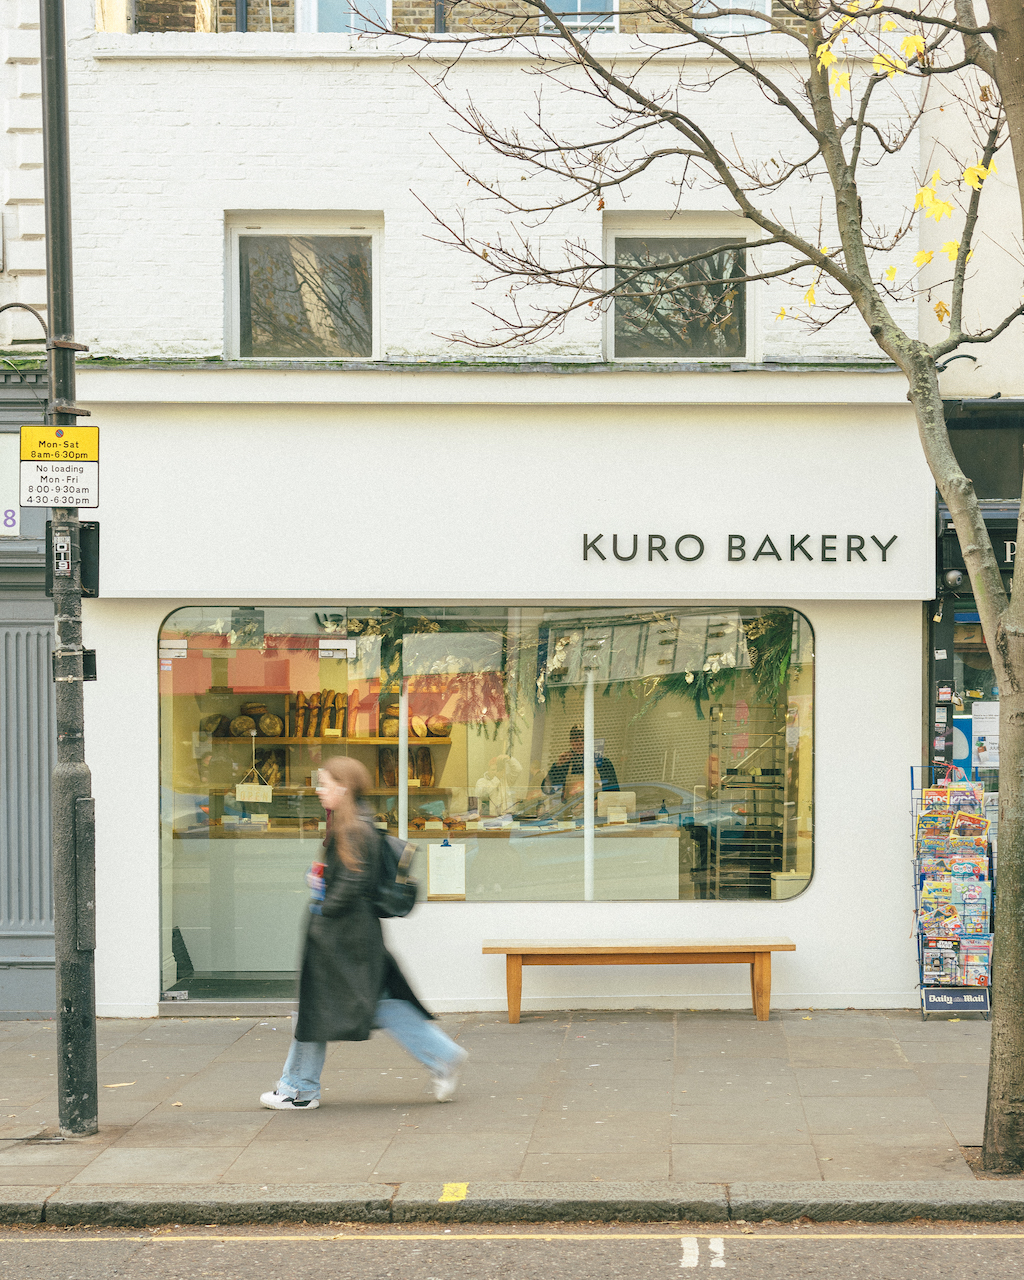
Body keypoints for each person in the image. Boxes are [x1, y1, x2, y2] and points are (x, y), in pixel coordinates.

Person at [260, 756, 468, 1111]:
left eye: (325, 784)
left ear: (343, 788)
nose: (319, 790)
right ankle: (443, 1055)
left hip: (341, 940)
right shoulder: (356, 823)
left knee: (316, 1008)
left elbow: (353, 883)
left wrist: (324, 907)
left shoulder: (352, 829)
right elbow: (353, 878)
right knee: (378, 1005)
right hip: (357, 938)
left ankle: (298, 1090)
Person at [541, 725, 620, 800]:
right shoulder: (565, 763)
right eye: (576, 740)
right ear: (571, 742)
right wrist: (557, 767)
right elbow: (548, 790)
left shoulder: (603, 763)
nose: (580, 743)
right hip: (570, 809)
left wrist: (598, 803)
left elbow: (613, 794)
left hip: (595, 809)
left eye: (583, 740)